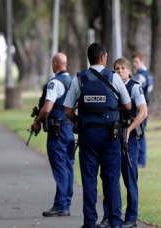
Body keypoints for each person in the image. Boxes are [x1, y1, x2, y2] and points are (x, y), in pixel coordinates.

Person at [64, 43, 131, 228]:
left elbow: (68, 110)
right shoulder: (114, 77)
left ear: (89, 58)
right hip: (111, 136)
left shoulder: (79, 79)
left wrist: (79, 121)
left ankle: (90, 223)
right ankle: (115, 221)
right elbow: (127, 105)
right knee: (111, 180)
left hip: (87, 136)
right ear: (104, 58)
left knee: (89, 180)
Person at [99, 58, 148, 228]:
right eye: (116, 69)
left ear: (129, 70)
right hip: (111, 137)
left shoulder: (134, 87)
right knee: (110, 179)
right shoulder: (110, 86)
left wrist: (129, 130)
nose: (119, 71)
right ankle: (109, 217)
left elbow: (143, 112)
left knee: (129, 180)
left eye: (122, 68)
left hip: (129, 139)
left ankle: (131, 218)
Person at [30, 53, 75, 217]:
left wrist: (38, 122)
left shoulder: (54, 83)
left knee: (60, 167)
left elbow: (47, 108)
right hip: (71, 129)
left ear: (55, 65)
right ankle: (66, 203)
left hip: (58, 131)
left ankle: (61, 205)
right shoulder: (73, 82)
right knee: (68, 166)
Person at [132, 53, 153, 168]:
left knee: (140, 133)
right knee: (140, 132)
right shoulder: (149, 74)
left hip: (140, 107)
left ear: (142, 61)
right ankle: (140, 160)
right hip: (145, 106)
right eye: (133, 62)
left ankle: (141, 160)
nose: (134, 64)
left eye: (136, 61)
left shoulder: (140, 76)